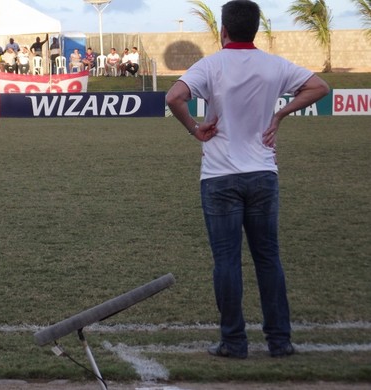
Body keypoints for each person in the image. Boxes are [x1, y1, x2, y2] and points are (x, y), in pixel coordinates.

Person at [165, 0, 330, 360]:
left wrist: (195, 129)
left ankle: (234, 342)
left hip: (220, 175)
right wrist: (281, 113)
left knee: (226, 261)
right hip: (262, 173)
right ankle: (279, 341)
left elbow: (174, 96)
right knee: (268, 258)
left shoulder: (211, 64)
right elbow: (319, 87)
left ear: (223, 30)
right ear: (255, 29)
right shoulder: (273, 65)